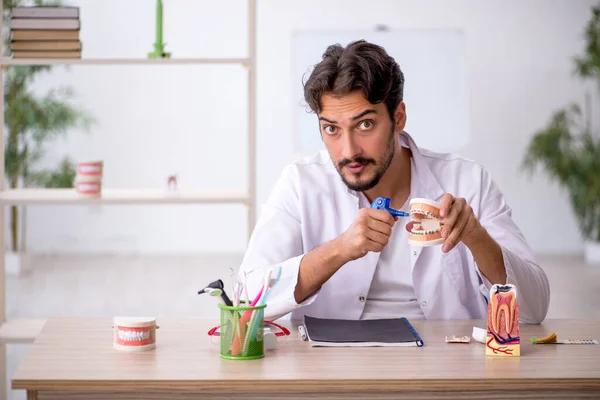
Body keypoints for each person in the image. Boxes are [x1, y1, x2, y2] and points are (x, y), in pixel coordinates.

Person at [238, 40, 550, 324]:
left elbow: (535, 309)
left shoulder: (469, 180)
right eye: (331, 129)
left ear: (398, 117)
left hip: (447, 368)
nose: (349, 151)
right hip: (333, 370)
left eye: (365, 124)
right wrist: (339, 250)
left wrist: (477, 237)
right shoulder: (301, 184)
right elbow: (245, 299)